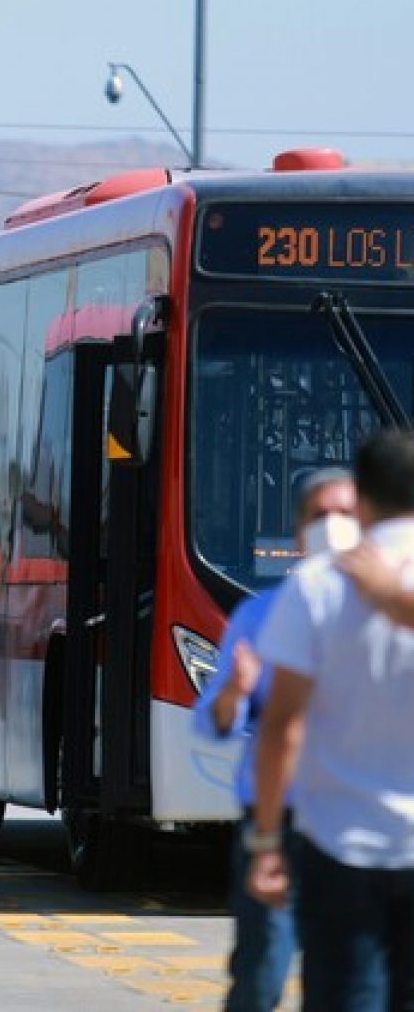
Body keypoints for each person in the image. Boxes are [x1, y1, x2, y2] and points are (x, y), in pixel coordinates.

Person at [249, 430, 414, 1010]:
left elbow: (281, 725)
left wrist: (267, 841)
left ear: (363, 501)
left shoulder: (319, 585)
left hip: (338, 847)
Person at [193, 467, 357, 1011]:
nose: (332, 527)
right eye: (320, 516)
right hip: (278, 822)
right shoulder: (261, 613)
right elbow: (213, 718)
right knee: (263, 971)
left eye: (345, 516)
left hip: (356, 824)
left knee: (346, 981)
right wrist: (234, 694)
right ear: (298, 527)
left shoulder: (388, 617)